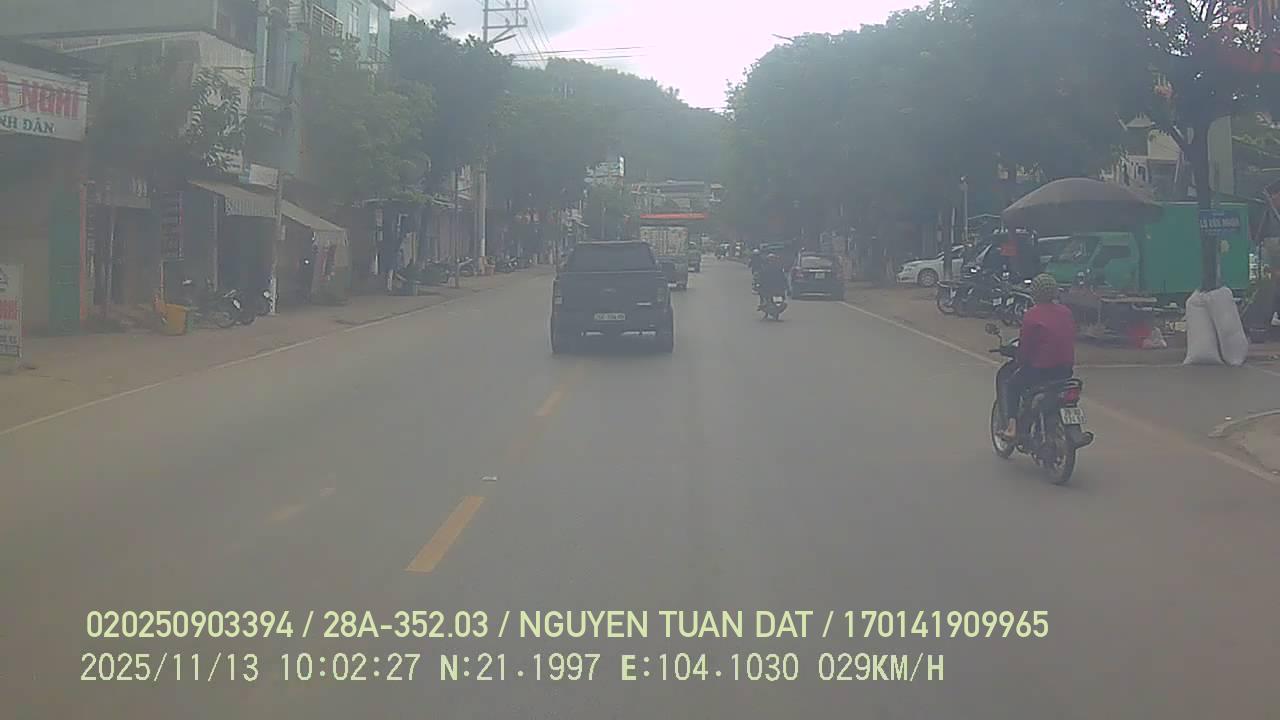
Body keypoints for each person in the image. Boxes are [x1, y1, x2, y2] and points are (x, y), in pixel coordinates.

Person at [999, 273, 1076, 440]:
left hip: (1042, 370)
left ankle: (1012, 427)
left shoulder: (1032, 315)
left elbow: (1026, 347)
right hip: (1066, 369)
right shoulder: (1066, 312)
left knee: (1012, 386)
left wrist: (1020, 360)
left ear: (1034, 293)